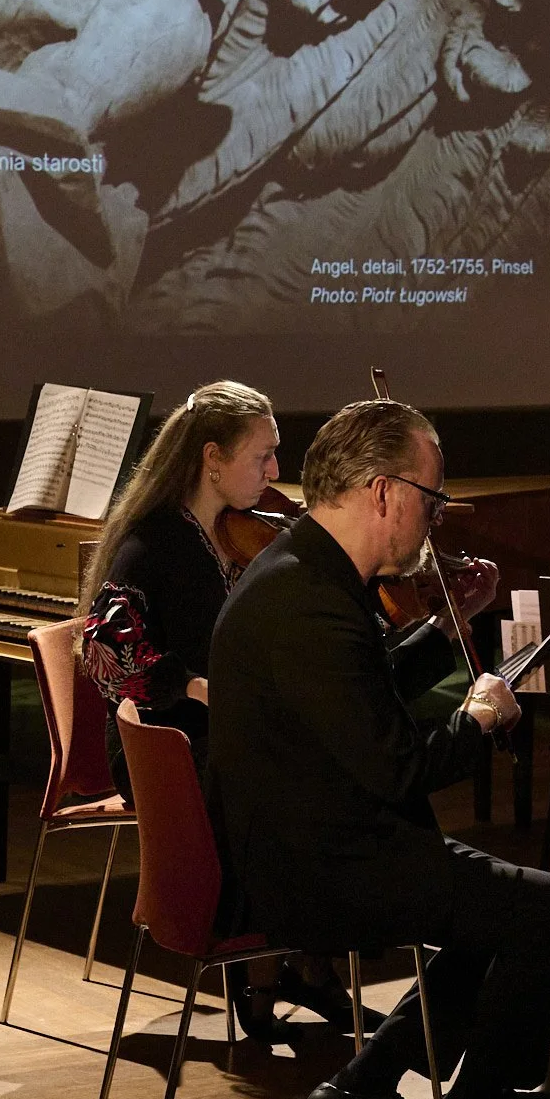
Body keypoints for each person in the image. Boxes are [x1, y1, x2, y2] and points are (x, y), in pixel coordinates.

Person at [207, 399, 550, 1099]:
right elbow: (398, 769)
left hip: (317, 839)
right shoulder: (308, 600)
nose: (436, 516)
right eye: (433, 496)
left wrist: (443, 635)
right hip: (315, 869)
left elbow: (361, 692)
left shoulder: (303, 573)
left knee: (504, 912)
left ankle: (369, 1085)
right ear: (385, 492)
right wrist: (480, 720)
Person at [77, 380, 362, 1045]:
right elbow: (104, 650)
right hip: (166, 745)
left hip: (211, 731)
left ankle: (291, 961)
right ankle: (284, 962)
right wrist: (195, 684)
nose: (273, 473)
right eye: (262, 456)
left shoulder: (222, 532)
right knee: (290, 786)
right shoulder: (158, 539)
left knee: (310, 765)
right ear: (211, 457)